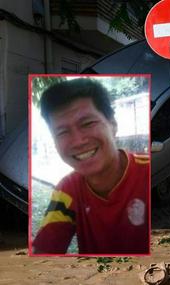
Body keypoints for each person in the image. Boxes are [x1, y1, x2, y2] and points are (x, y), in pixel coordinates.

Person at [32, 78, 149, 255]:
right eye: (62, 132)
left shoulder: (147, 173)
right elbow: (43, 251)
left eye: (87, 124)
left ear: (113, 125)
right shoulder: (68, 190)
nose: (78, 141)